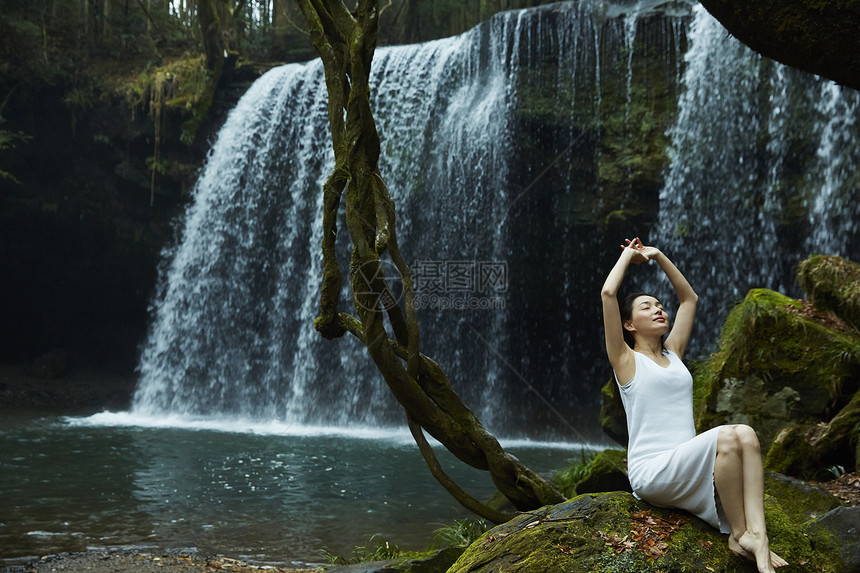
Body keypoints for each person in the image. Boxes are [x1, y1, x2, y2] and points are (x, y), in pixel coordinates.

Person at [600, 237, 787, 573]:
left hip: (687, 459)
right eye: (646, 307)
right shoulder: (626, 361)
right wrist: (628, 255)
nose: (658, 308)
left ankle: (755, 536)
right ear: (629, 324)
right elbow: (608, 294)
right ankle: (741, 532)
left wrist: (658, 256)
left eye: (659, 304)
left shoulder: (674, 353)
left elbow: (689, 298)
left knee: (745, 434)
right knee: (729, 437)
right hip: (652, 470)